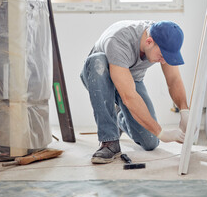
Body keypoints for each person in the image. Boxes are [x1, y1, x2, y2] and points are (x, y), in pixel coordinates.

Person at [80, 20, 190, 164]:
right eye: (162, 56)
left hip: (131, 80)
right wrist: (161, 132)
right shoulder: (119, 40)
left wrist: (184, 111)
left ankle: (121, 120)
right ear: (149, 42)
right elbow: (128, 97)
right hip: (100, 78)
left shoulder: (164, 38)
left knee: (150, 142)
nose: (164, 61)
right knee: (98, 61)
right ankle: (109, 141)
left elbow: (174, 80)